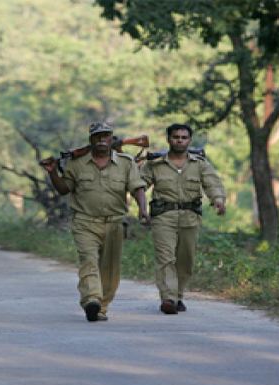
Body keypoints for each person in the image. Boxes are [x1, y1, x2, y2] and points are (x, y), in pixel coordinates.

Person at [40, 121, 148, 322]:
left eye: (106, 136)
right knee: (88, 261)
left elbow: (137, 187)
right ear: (91, 140)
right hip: (85, 222)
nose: (101, 140)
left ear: (111, 139)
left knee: (110, 269)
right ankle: (91, 299)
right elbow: (64, 189)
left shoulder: (126, 163)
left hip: (114, 222)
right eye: (97, 136)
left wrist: (143, 209)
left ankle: (101, 307)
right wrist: (53, 172)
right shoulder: (77, 163)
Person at [141, 123, 226, 314]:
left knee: (186, 259)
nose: (179, 140)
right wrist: (138, 204)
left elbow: (212, 184)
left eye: (183, 137)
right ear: (168, 139)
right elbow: (139, 184)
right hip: (164, 216)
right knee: (166, 258)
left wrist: (218, 201)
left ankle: (178, 295)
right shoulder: (155, 164)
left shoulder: (199, 164)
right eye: (176, 137)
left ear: (189, 140)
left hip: (190, 217)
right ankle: (168, 299)